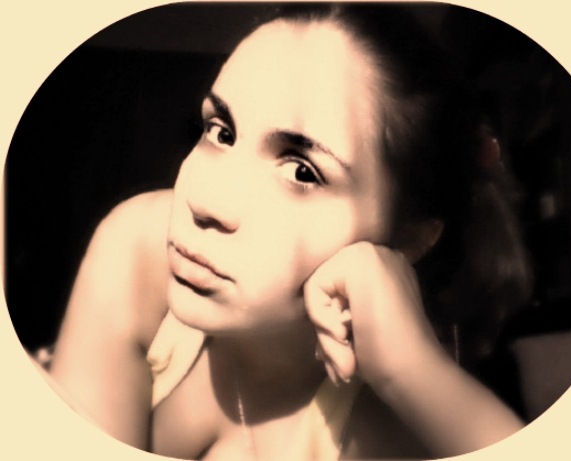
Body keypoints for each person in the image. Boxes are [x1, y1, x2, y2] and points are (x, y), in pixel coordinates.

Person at [45, 4, 531, 460]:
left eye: (302, 171)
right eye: (221, 132)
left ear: (408, 241)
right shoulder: (141, 247)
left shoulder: (380, 434)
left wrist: (411, 371)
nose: (205, 203)